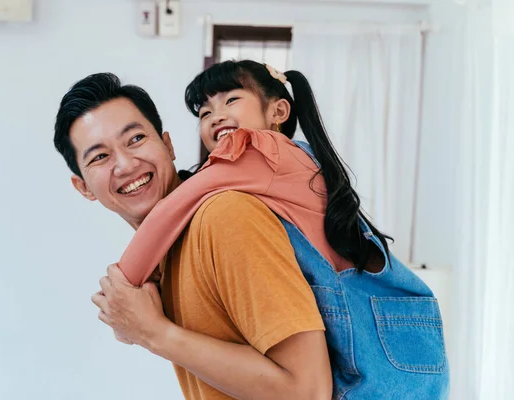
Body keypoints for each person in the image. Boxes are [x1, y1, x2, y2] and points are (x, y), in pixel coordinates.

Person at [86, 59, 450, 399]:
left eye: (231, 100)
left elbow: (171, 209)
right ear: (81, 185)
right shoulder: (279, 165)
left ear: (278, 111)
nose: (217, 116)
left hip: (370, 337)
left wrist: (123, 292)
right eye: (205, 112)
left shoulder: (257, 153)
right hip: (386, 337)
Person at [53, 72, 333, 400]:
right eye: (100, 157)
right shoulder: (166, 255)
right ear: (83, 187)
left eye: (136, 139)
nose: (126, 164)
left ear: (168, 145)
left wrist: (154, 333)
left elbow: (308, 392)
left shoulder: (224, 216)